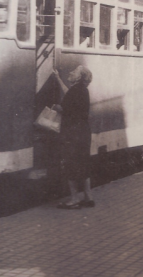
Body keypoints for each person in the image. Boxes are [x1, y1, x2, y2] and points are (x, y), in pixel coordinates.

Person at [53, 66, 95, 209]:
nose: (71, 72)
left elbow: (65, 108)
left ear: (79, 77)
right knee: (83, 164)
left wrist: (56, 108)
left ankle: (74, 199)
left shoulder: (75, 91)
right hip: (83, 132)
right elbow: (68, 94)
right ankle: (89, 198)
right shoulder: (82, 90)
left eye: (74, 71)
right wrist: (58, 78)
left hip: (72, 133)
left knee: (70, 165)